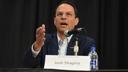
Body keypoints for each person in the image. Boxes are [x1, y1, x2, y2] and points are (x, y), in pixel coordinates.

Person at [24, 0, 96, 68]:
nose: (63, 17)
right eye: (59, 14)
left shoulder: (86, 43)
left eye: (68, 14)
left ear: (76, 21)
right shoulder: (44, 40)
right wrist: (37, 46)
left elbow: (92, 67)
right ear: (55, 21)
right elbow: (27, 65)